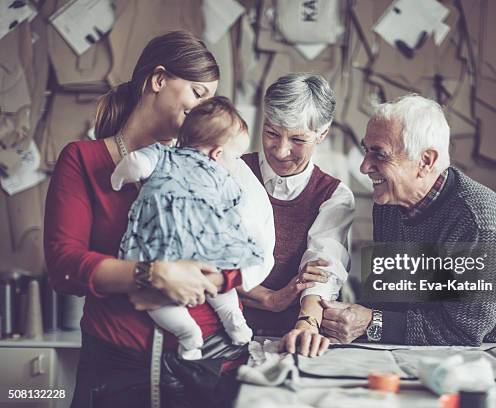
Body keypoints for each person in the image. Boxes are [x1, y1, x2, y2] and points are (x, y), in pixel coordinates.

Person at [44, 31, 246, 407]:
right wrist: (150, 273)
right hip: (115, 368)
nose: (203, 110)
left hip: (206, 364)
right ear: (158, 80)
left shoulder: (213, 167)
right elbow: (63, 266)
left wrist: (227, 281)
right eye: (198, 94)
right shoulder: (84, 160)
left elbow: (242, 249)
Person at [319, 94, 496, 346]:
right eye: (366, 150)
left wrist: (371, 322)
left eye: (380, 155)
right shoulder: (390, 203)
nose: (364, 167)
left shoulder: (480, 223)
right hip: (420, 354)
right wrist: (343, 315)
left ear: (426, 161)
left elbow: (463, 333)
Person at [110, 96, 275, 360]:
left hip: (159, 243)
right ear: (217, 154)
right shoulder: (224, 176)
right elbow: (239, 207)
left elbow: (136, 165)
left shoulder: (164, 156)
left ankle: (188, 336)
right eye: (236, 156)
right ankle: (234, 322)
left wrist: (118, 179)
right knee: (219, 289)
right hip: (203, 244)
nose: (236, 162)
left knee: (160, 302)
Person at [238, 73, 355, 357]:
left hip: (290, 336)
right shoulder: (233, 171)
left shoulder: (334, 195)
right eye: (271, 133)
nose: (281, 150)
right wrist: (269, 299)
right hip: (225, 327)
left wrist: (307, 324)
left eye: (298, 139)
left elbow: (322, 266)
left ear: (322, 134)